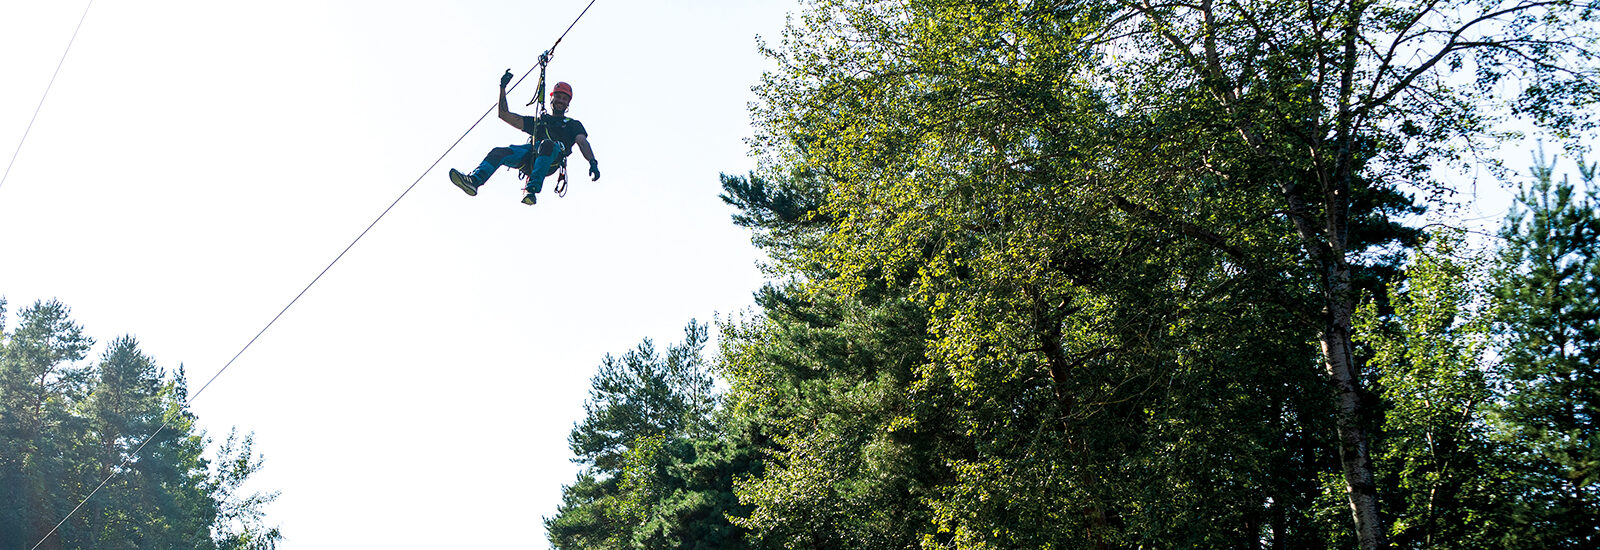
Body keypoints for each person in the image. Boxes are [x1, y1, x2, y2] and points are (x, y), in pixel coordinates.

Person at [449, 71, 599, 205]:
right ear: (552, 98)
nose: (561, 100)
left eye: (564, 99)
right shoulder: (540, 122)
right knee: (499, 152)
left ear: (568, 103)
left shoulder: (572, 125)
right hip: (531, 156)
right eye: (558, 97)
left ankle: (531, 190)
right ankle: (474, 181)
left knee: (547, 144)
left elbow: (582, 141)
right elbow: (504, 115)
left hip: (550, 159)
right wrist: (502, 88)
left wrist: (592, 162)